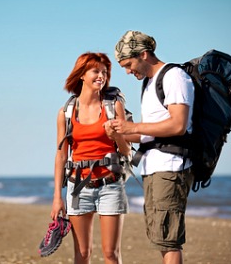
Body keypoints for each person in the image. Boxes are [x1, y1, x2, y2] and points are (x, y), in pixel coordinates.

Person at [109, 31, 195, 264]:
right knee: (160, 236)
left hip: (170, 167)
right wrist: (121, 133)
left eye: (128, 64)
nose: (127, 71)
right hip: (153, 167)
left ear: (144, 54)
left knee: (168, 239)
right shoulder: (149, 83)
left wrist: (131, 127)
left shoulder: (174, 76)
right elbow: (148, 134)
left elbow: (179, 125)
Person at [51, 52, 131, 264]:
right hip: (78, 188)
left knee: (111, 254)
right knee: (83, 253)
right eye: (95, 71)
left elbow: (127, 151)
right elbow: (61, 156)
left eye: (104, 72)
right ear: (81, 75)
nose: (101, 76)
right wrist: (57, 197)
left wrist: (117, 137)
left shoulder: (114, 107)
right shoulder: (66, 112)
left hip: (110, 186)